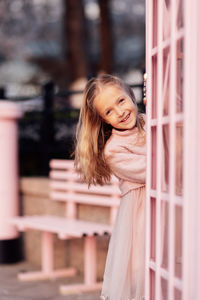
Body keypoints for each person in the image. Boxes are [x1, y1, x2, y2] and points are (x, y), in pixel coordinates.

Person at [74, 74, 146, 300]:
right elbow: (159, 170)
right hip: (141, 217)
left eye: (121, 101)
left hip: (171, 206)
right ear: (103, 120)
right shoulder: (113, 151)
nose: (120, 112)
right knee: (141, 272)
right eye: (109, 111)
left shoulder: (151, 122)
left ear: (131, 96)